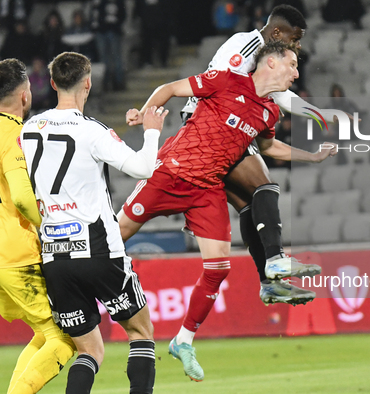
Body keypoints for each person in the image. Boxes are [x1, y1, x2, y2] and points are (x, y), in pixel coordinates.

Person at [120, 40, 335, 382]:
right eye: (292, 64)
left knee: (218, 268)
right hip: (170, 173)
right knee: (116, 237)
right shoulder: (226, 79)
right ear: (271, 63)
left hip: (207, 190)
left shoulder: (270, 112)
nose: (297, 73)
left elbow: (268, 147)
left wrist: (312, 156)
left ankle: (183, 340)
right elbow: (170, 88)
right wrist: (140, 112)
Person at [171, 5, 338, 307]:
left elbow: (280, 96)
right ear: (277, 33)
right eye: (295, 39)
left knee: (251, 205)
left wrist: (320, 115)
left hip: (231, 127)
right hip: (211, 126)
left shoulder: (267, 64)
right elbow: (220, 88)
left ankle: (269, 282)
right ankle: (275, 261)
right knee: (265, 186)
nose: (297, 46)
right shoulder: (243, 46)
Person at [20, 52, 166, 394]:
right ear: (88, 82)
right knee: (140, 332)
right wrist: (151, 133)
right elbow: (143, 168)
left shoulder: (28, 130)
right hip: (99, 249)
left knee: (89, 350)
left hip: (55, 256)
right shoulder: (91, 131)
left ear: (53, 84)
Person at [0, 58, 76, 394]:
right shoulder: (15, 135)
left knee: (44, 332)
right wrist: (50, 224)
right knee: (66, 336)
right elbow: (20, 197)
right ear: (25, 97)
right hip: (15, 254)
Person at [91, 0, 126, 91]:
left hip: (113, 31)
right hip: (102, 31)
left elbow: (122, 14)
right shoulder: (101, 3)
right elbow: (96, 15)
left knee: (116, 58)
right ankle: (106, 82)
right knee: (104, 59)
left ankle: (118, 82)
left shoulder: (118, 2)